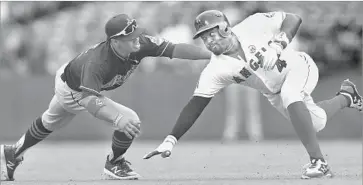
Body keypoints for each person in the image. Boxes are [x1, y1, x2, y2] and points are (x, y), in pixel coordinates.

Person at [143, 10, 363, 179]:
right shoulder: (214, 69)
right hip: (273, 92)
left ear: (225, 29)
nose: (208, 41)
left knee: (291, 95)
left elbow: (293, 18)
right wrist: (170, 140)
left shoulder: (253, 24)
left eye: (211, 34)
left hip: (298, 67)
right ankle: (346, 96)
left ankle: (319, 163)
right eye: (204, 38)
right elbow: (195, 104)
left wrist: (279, 45)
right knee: (315, 123)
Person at [0, 14, 211, 181]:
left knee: (50, 120)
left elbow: (175, 49)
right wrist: (118, 119)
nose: (137, 38)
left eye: (136, 32)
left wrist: (211, 54)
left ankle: (13, 153)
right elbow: (89, 100)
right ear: (115, 41)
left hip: (71, 77)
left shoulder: (139, 44)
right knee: (130, 120)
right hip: (76, 90)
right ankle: (114, 163)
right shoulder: (98, 63)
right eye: (130, 36)